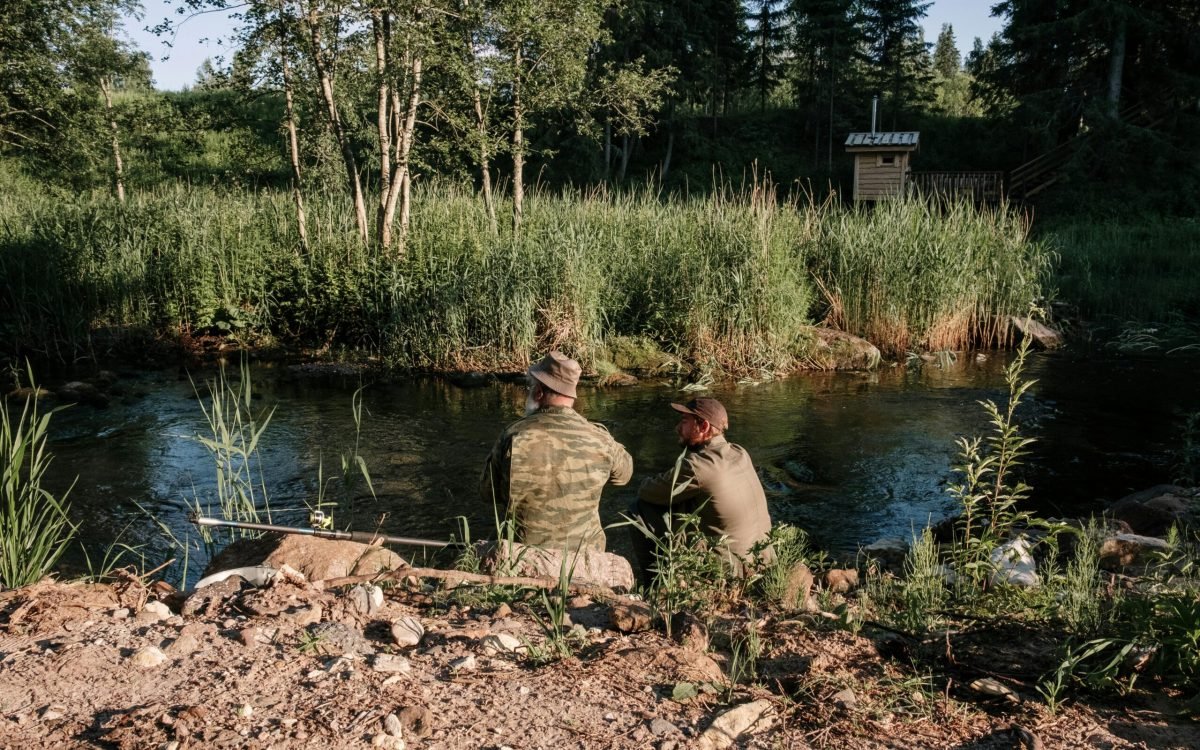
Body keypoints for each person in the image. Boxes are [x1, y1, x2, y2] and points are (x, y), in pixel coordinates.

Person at [480, 351, 634, 551]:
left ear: (538, 392)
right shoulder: (601, 438)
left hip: (525, 554)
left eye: (530, 387)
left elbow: (487, 493)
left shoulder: (513, 434)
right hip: (584, 555)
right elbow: (624, 476)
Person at [634, 396, 773, 580]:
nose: (678, 428)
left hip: (733, 572)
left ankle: (655, 584)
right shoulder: (740, 452)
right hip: (764, 561)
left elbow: (647, 491)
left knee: (638, 509)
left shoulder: (698, 466)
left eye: (684, 421)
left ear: (704, 427)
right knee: (692, 502)